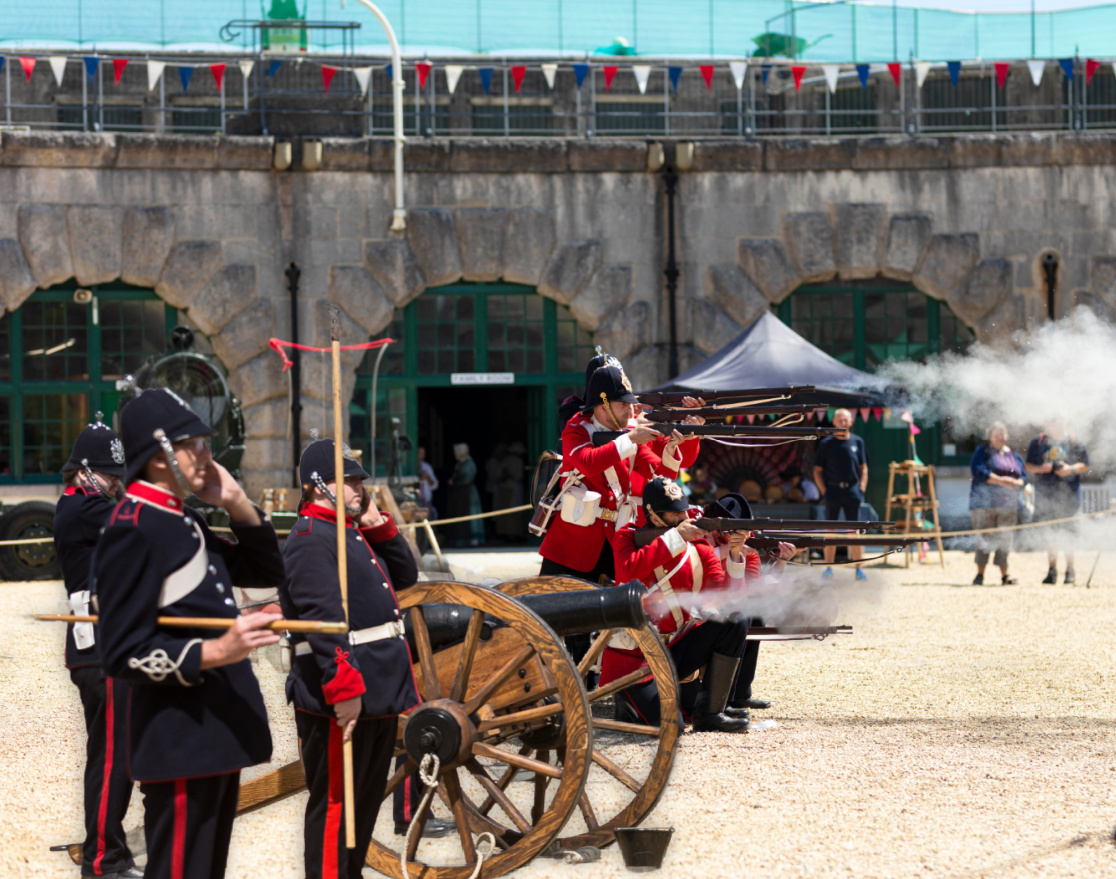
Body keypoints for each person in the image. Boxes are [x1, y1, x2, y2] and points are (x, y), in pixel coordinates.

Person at [94, 388, 285, 879]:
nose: (207, 454)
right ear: (159, 456)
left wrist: (237, 501)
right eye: (194, 444)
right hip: (179, 737)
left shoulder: (186, 519)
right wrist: (218, 650)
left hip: (216, 732)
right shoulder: (131, 526)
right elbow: (120, 652)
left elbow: (265, 567)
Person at [281, 439, 426, 879]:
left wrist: (379, 525)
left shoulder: (347, 530)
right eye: (349, 482)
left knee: (361, 808)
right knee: (335, 809)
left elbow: (405, 576)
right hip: (344, 692)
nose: (360, 489)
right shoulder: (310, 538)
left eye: (360, 481)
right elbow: (323, 622)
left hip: (378, 688)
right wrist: (345, 689)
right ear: (317, 486)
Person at [54, 417, 140, 879]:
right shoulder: (82, 506)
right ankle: (103, 858)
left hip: (109, 641)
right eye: (108, 473)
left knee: (119, 753)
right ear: (85, 471)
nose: (113, 482)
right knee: (111, 757)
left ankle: (112, 848)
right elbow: (136, 524)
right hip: (99, 645)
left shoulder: (89, 502)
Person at [606, 477, 754, 732]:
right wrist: (674, 538)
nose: (684, 516)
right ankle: (628, 699)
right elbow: (628, 571)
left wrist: (735, 555)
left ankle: (710, 714)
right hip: (638, 657)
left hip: (676, 647)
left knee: (735, 620)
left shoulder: (698, 546)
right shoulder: (627, 537)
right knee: (671, 726)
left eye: (684, 509)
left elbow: (726, 600)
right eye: (676, 513)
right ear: (653, 517)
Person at [538, 365, 696, 584]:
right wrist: (630, 439)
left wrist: (673, 448)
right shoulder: (577, 428)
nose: (630, 411)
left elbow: (658, 478)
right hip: (572, 546)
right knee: (548, 608)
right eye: (622, 404)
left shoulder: (629, 434)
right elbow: (587, 462)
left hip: (616, 542)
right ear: (602, 404)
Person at [1026, 418, 1090, 584]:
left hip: (1069, 497)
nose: (1058, 425)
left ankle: (1070, 570)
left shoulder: (1074, 441)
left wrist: (1070, 469)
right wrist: (1043, 469)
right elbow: (1028, 466)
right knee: (1050, 536)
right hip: (1046, 497)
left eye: (1061, 422)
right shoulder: (1038, 441)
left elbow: (1085, 465)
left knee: (1069, 536)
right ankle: (1052, 570)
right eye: (1054, 422)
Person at [813, 408, 869, 580]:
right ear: (834, 422)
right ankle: (829, 568)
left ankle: (859, 569)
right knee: (831, 531)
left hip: (852, 491)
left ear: (851, 421)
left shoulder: (857, 442)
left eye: (846, 420)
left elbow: (864, 468)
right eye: (840, 420)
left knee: (855, 532)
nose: (843, 423)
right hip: (832, 491)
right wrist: (823, 490)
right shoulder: (826, 444)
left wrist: (862, 488)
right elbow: (817, 471)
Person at [969, 422, 1027, 585]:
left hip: (1009, 504)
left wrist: (1020, 484)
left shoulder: (1014, 455)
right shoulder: (983, 451)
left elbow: (1024, 476)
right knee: (984, 538)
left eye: (1003, 434)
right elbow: (979, 471)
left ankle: (1005, 575)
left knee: (1005, 539)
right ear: (990, 436)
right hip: (984, 504)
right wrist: (1002, 481)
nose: (1000, 437)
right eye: (997, 434)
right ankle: (980, 575)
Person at [446, 443, 484, 547]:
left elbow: (467, 478)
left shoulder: (469, 464)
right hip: (459, 494)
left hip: (467, 493)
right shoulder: (459, 464)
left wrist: (455, 483)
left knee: (471, 514)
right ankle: (461, 540)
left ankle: (473, 539)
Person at [416, 446, 438, 519]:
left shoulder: (427, 467)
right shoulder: (412, 467)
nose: (421, 455)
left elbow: (435, 485)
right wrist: (419, 478)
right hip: (416, 502)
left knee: (428, 523)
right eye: (419, 453)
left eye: (423, 453)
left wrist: (428, 478)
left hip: (426, 502)